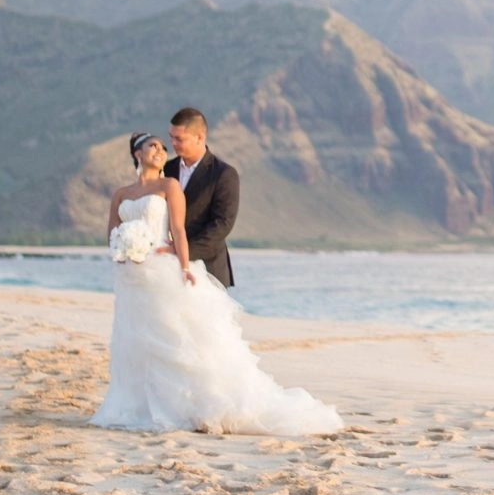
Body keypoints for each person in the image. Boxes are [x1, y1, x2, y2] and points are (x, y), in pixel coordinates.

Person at [90, 132, 341, 435]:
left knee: (170, 337)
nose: (160, 150)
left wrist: (185, 267)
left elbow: (178, 230)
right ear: (137, 154)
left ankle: (180, 405)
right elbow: (112, 232)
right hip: (131, 276)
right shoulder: (121, 194)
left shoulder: (169, 186)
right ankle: (138, 406)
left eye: (162, 147)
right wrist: (122, 252)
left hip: (162, 268)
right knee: (135, 339)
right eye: (152, 146)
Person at [162, 107, 240, 287]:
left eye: (179, 139)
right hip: (167, 267)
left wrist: (181, 251)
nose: (173, 143)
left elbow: (222, 224)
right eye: (171, 137)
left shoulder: (224, 174)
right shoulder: (166, 169)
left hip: (208, 268)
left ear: (200, 137)